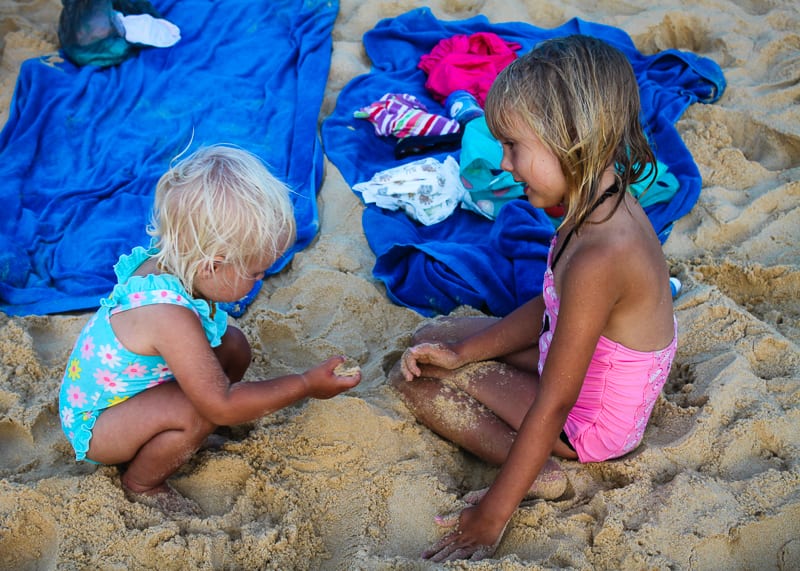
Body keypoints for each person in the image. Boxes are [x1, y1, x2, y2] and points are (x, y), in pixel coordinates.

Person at [390, 35, 678, 562]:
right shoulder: (595, 197)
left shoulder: (600, 257)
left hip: (588, 422)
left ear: (570, 141)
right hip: (587, 366)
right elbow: (551, 307)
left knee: (416, 384)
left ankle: (538, 474)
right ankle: (472, 375)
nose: (503, 163)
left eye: (514, 147)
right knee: (435, 343)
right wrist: (464, 352)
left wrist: (490, 515)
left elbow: (555, 402)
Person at [58, 144, 361, 516]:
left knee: (233, 345)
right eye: (254, 272)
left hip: (136, 393)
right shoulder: (168, 314)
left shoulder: (176, 265)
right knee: (199, 410)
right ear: (212, 266)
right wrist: (305, 384)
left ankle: (188, 433)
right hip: (99, 424)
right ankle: (142, 481)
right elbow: (221, 402)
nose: (261, 280)